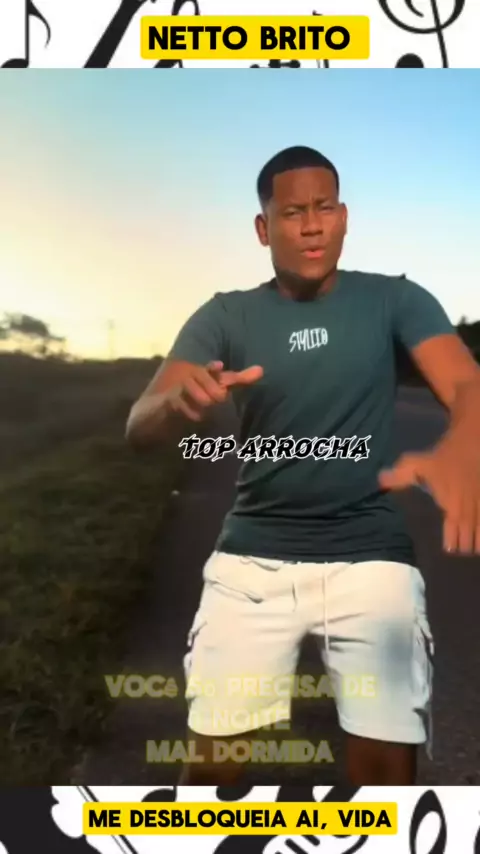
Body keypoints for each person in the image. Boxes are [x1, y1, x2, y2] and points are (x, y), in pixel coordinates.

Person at [126, 145, 480, 786]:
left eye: (325, 208)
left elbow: (465, 383)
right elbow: (139, 424)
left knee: (385, 780)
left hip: (371, 558)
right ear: (264, 228)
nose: (312, 226)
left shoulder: (395, 300)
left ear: (344, 217)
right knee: (212, 777)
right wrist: (176, 405)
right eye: (293, 213)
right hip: (251, 562)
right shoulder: (226, 314)